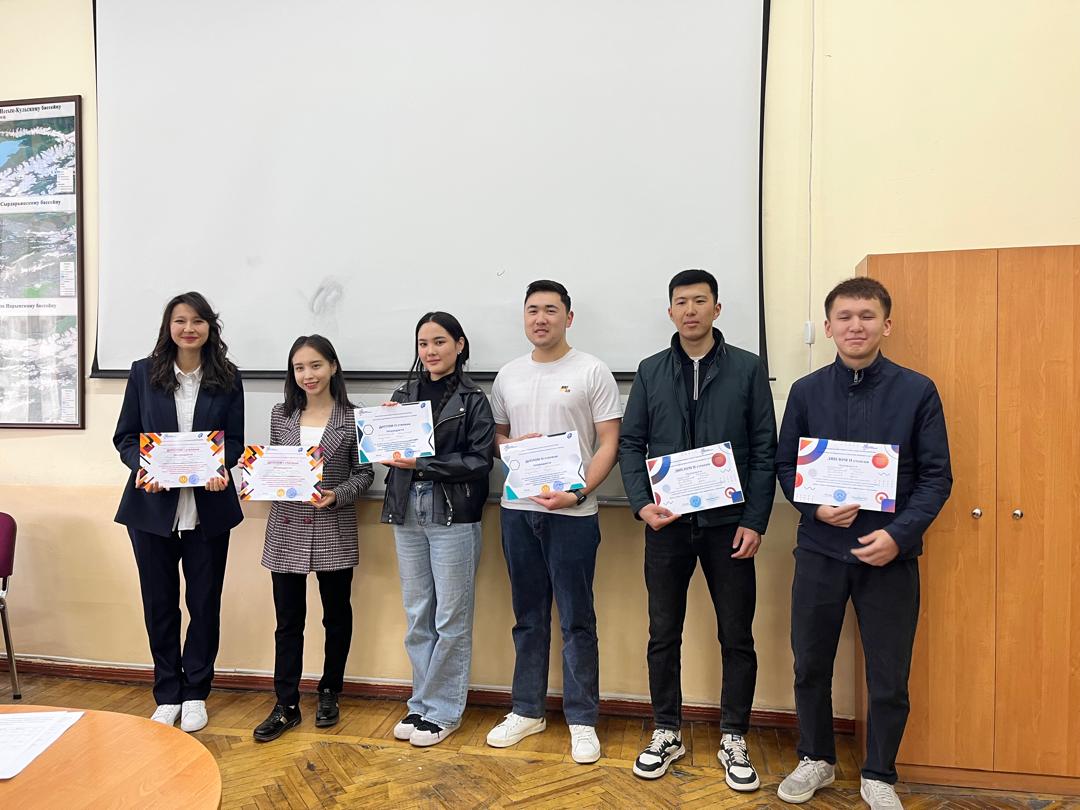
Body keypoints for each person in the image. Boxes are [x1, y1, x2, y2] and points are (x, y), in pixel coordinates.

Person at [775, 277, 952, 809]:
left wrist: (899, 536)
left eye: (867, 316)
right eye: (845, 317)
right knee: (810, 664)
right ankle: (816, 757)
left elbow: (937, 477)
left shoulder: (917, 391)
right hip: (820, 552)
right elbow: (786, 465)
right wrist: (814, 508)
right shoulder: (806, 391)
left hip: (890, 559)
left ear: (886, 325)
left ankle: (879, 773)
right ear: (829, 327)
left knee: (888, 675)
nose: (856, 326)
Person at [619, 269, 776, 789]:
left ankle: (734, 735)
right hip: (666, 526)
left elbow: (764, 449)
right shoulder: (650, 370)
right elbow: (631, 443)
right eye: (681, 302)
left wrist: (754, 520)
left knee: (737, 635)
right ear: (670, 311)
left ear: (717, 308)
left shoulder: (748, 369)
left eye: (700, 301)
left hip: (728, 527)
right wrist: (641, 505)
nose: (690, 310)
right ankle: (667, 730)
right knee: (663, 633)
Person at [484, 280, 622, 764]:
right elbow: (496, 438)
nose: (540, 319)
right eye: (532, 310)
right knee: (528, 617)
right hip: (518, 512)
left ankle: (582, 719)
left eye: (550, 310)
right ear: (524, 317)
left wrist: (579, 491)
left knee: (577, 619)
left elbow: (609, 442)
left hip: (573, 514)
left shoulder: (592, 370)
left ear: (568, 317)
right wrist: (513, 447)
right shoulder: (508, 375)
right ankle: (527, 710)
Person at [113, 291, 244, 732]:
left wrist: (221, 466)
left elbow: (235, 441)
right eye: (180, 320)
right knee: (160, 605)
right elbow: (126, 437)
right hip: (151, 510)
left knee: (204, 604)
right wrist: (143, 466)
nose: (189, 328)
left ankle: (196, 693)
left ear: (210, 327)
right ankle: (168, 692)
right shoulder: (142, 373)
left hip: (209, 509)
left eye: (198, 321)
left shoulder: (228, 376)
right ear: (168, 327)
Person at [380, 312, 496, 746]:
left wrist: (423, 463)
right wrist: (380, 432)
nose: (430, 351)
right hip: (406, 508)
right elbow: (383, 452)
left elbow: (479, 461)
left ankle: (443, 711)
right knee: (418, 614)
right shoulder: (402, 395)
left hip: (453, 513)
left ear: (460, 345)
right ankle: (420, 703)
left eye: (440, 341)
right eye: (423, 343)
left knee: (451, 617)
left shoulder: (474, 399)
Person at [253, 335, 373, 742]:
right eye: (300, 367)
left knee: (336, 617)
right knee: (288, 622)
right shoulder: (280, 414)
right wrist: (258, 477)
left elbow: (365, 474)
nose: (308, 374)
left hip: (333, 528)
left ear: (333, 367)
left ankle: (329, 691)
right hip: (286, 528)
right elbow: (276, 465)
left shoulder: (354, 417)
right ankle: (285, 704)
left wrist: (339, 494)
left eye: (316, 365)